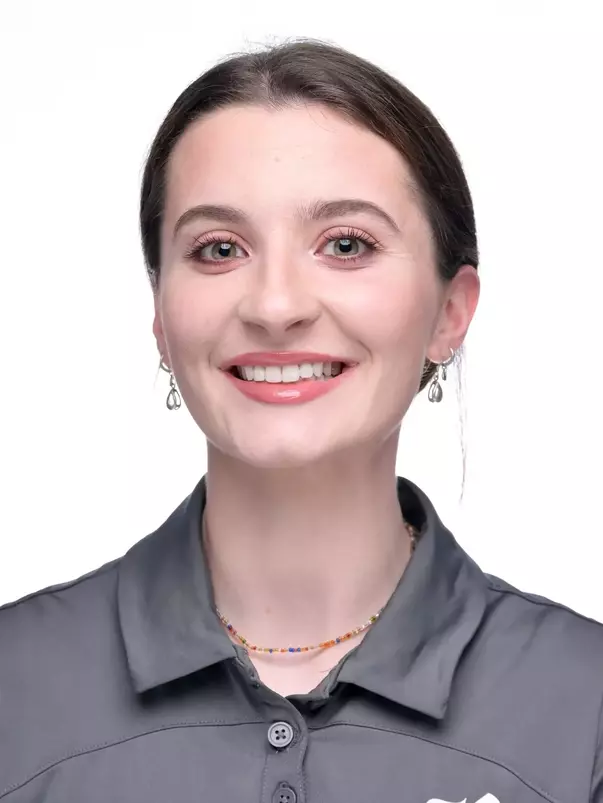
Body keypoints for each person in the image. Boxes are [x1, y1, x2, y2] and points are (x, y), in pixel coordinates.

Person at [1, 38, 601, 803]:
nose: (275, 305)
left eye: (345, 244)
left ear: (449, 314)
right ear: (160, 313)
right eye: (218, 248)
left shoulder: (583, 708)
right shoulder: (13, 689)